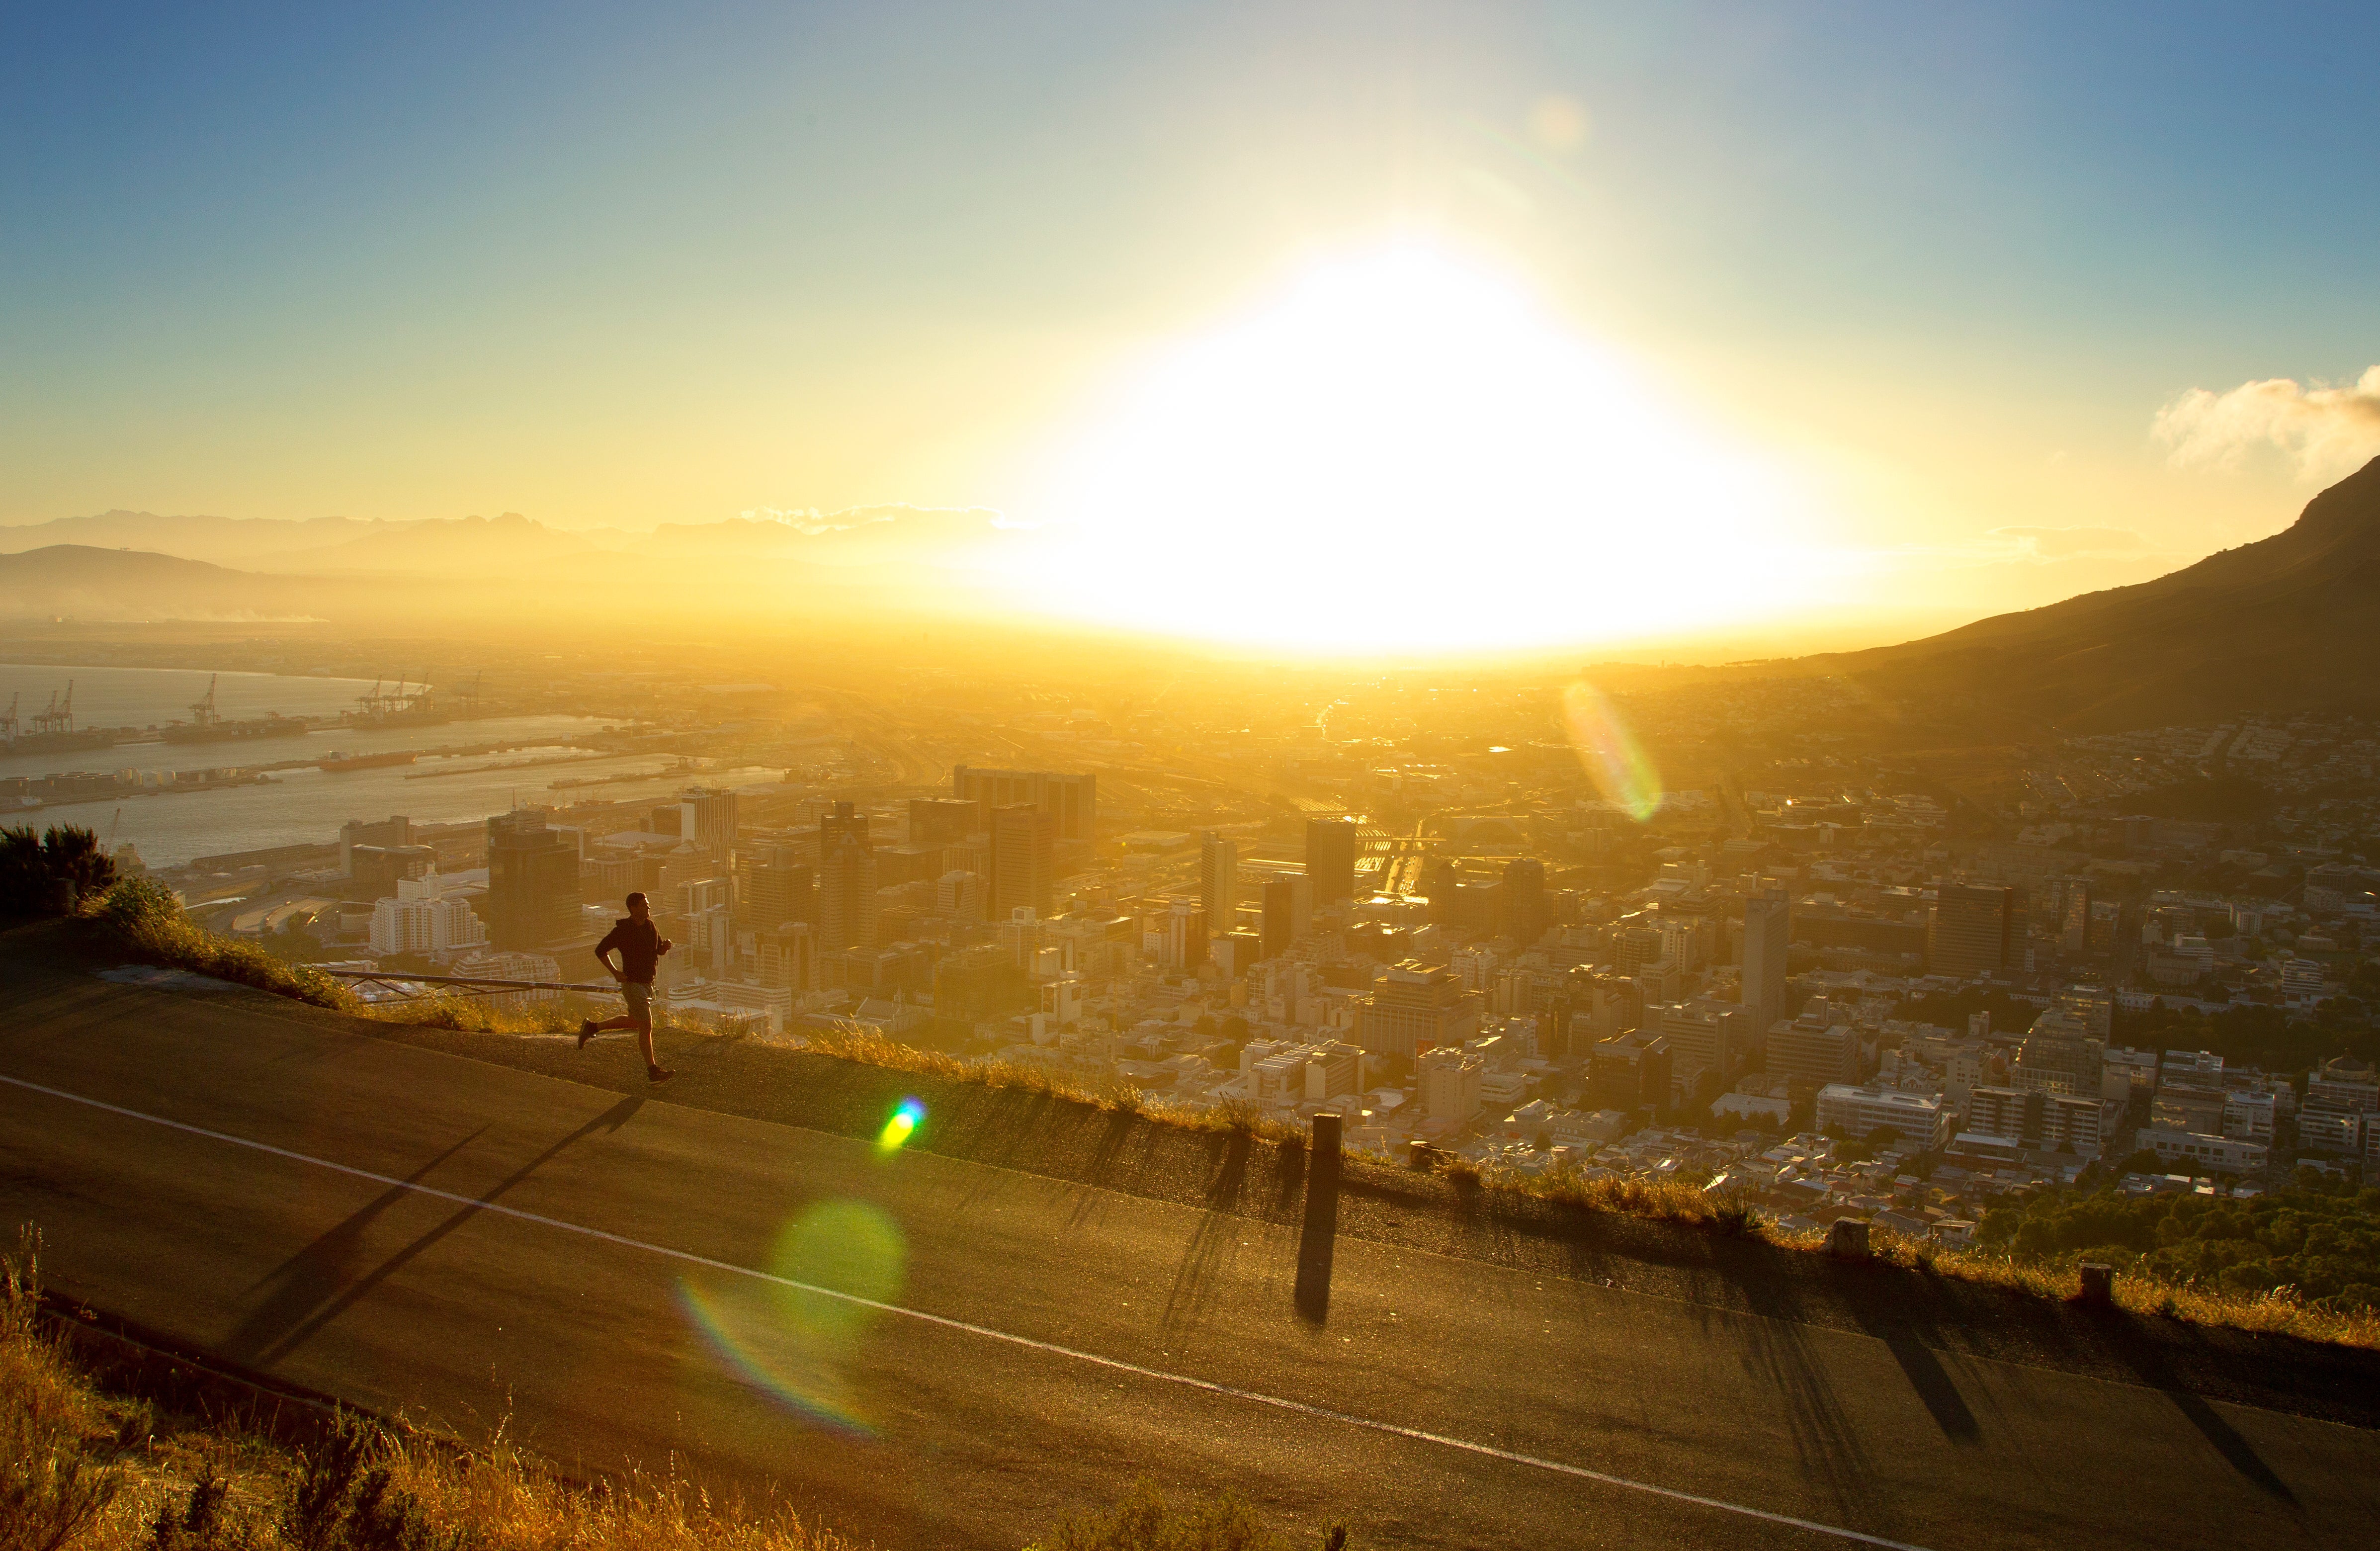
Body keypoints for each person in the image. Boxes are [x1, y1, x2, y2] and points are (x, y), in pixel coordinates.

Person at [581, 890, 676, 1081]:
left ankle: (592, 1027)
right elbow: (600, 950)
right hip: (633, 985)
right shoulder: (623, 930)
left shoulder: (651, 926)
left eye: (647, 905)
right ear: (633, 908)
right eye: (644, 905)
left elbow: (657, 950)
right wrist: (615, 973)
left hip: (647, 984)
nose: (648, 907)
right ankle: (653, 1071)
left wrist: (664, 948)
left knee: (634, 1022)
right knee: (646, 1026)